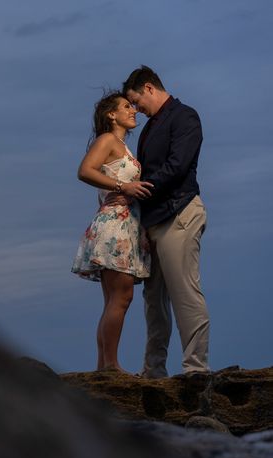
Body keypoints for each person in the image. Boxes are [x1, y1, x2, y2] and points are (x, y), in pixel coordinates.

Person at [122, 65, 210, 378]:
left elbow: (177, 166)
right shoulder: (148, 129)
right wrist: (143, 224)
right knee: (152, 300)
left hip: (181, 214)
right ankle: (153, 370)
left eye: (136, 101)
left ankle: (196, 368)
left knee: (184, 292)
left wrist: (139, 192)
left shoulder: (185, 116)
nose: (136, 109)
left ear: (149, 87)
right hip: (153, 221)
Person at [71, 91, 153, 374]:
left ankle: (104, 365)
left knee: (114, 301)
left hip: (125, 223)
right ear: (111, 115)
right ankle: (110, 364)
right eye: (126, 107)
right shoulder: (107, 140)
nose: (134, 111)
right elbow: (84, 170)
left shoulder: (122, 146)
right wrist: (123, 187)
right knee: (121, 297)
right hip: (115, 224)